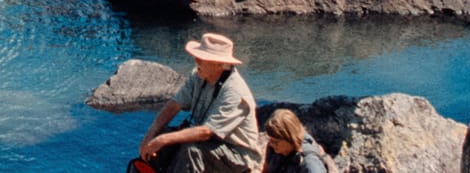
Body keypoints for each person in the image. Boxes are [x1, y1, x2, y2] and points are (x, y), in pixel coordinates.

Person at [138, 32, 263, 173]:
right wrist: (152, 134)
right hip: (210, 144)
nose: (196, 61)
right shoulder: (198, 75)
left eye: (202, 58)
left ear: (218, 64)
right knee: (162, 140)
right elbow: (173, 105)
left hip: (237, 155)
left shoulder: (234, 92)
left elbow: (206, 132)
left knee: (191, 150)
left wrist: (163, 139)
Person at [262, 109, 329, 173]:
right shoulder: (274, 150)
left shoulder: (310, 164)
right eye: (270, 139)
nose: (271, 144)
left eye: (276, 142)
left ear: (290, 138)